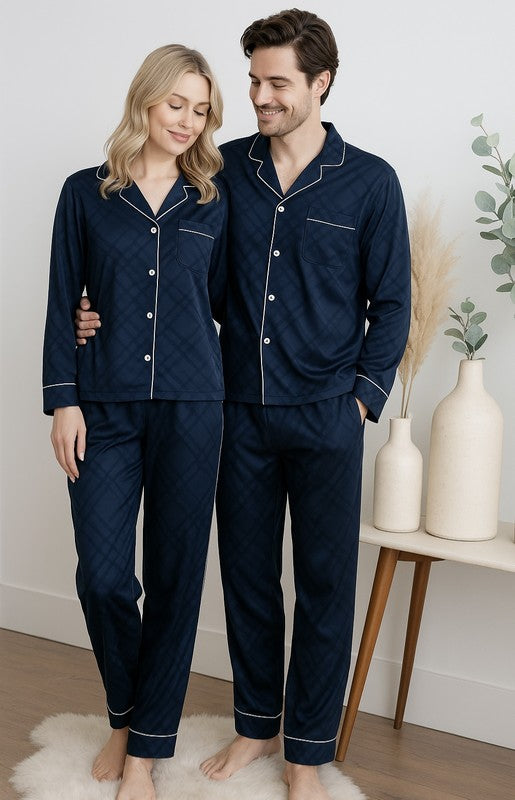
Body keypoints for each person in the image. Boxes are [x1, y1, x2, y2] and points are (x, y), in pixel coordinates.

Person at [75, 10, 411, 800]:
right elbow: (164, 264)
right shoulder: (218, 172)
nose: (259, 96)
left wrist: (362, 402)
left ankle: (306, 754)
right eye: (254, 80)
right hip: (232, 410)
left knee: (324, 585)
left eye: (276, 83)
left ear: (320, 83)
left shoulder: (370, 181)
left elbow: (392, 302)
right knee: (249, 581)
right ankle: (257, 725)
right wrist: (97, 313)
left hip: (328, 412)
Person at [43, 44, 227, 800]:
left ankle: (145, 749)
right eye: (175, 103)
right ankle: (124, 710)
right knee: (105, 577)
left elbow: (229, 304)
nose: (187, 120)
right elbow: (63, 298)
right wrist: (64, 398)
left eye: (201, 110)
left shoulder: (215, 201)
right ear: (145, 100)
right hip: (104, 407)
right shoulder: (84, 194)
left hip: (193, 409)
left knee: (177, 579)